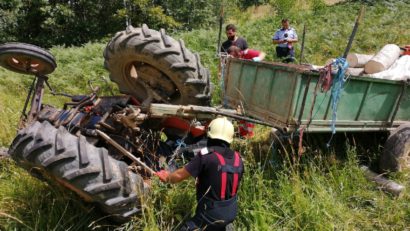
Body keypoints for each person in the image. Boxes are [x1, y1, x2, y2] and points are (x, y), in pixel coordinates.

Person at [156, 117, 244, 231]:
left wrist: (167, 177)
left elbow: (178, 176)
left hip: (210, 214)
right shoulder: (238, 158)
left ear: (209, 134)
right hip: (231, 211)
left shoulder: (206, 156)